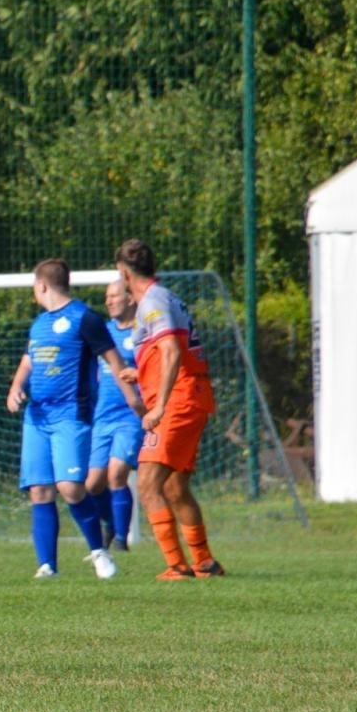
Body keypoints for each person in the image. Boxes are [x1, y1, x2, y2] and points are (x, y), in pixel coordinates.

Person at [5, 258, 139, 580]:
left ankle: (99, 551)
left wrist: (134, 399)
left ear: (42, 285)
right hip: (37, 416)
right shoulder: (38, 324)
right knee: (39, 490)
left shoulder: (85, 319)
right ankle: (47, 566)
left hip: (70, 415)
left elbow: (114, 360)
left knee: (71, 489)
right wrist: (15, 388)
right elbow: (28, 361)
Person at [115, 239, 225, 579]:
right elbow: (166, 350)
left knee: (147, 482)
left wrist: (159, 405)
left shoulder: (151, 301)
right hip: (191, 395)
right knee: (175, 487)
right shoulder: (165, 297)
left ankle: (177, 566)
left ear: (124, 272)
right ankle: (204, 561)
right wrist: (140, 371)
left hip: (178, 400)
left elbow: (172, 350)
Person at [84, 279, 145, 554]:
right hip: (103, 416)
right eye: (106, 296)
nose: (108, 301)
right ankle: (110, 523)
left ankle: (122, 540)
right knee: (92, 483)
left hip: (130, 415)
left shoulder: (142, 333)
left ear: (130, 299)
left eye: (114, 296)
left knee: (117, 473)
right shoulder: (103, 332)